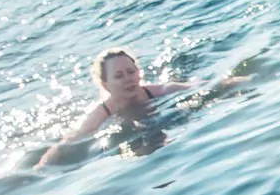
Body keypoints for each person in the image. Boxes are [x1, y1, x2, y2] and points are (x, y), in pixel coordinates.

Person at [38, 49, 194, 166]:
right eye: (119, 76)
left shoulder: (159, 91)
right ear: (105, 84)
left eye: (131, 72)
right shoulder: (100, 113)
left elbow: (202, 87)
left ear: (139, 73)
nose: (128, 79)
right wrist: (41, 168)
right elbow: (69, 141)